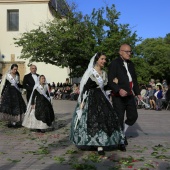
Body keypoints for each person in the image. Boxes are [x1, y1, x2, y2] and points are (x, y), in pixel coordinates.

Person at [70, 53, 125, 155]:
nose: (104, 61)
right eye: (102, 59)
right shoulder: (90, 72)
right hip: (91, 99)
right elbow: (84, 88)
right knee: (94, 119)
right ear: (96, 60)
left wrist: (114, 84)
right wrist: (82, 101)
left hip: (102, 98)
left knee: (106, 118)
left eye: (105, 59)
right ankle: (98, 145)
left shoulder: (104, 73)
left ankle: (107, 142)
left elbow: (105, 86)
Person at [108, 44, 142, 146]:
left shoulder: (131, 64)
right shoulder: (114, 63)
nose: (129, 54)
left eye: (130, 51)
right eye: (127, 52)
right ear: (120, 52)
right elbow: (110, 81)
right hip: (118, 96)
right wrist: (118, 90)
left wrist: (138, 93)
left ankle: (122, 132)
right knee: (119, 117)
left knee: (133, 116)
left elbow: (134, 80)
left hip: (130, 95)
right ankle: (120, 138)